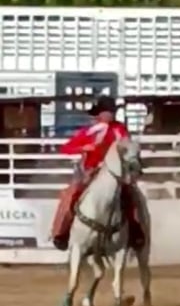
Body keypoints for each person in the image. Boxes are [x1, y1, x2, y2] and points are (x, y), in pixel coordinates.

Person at [50, 96, 144, 251]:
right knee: (71, 194)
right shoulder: (89, 131)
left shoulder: (120, 129)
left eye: (111, 111)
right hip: (91, 171)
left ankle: (134, 231)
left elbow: (128, 148)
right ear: (99, 113)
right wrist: (84, 148)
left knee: (130, 195)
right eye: (107, 111)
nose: (110, 114)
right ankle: (63, 233)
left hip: (116, 172)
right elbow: (66, 148)